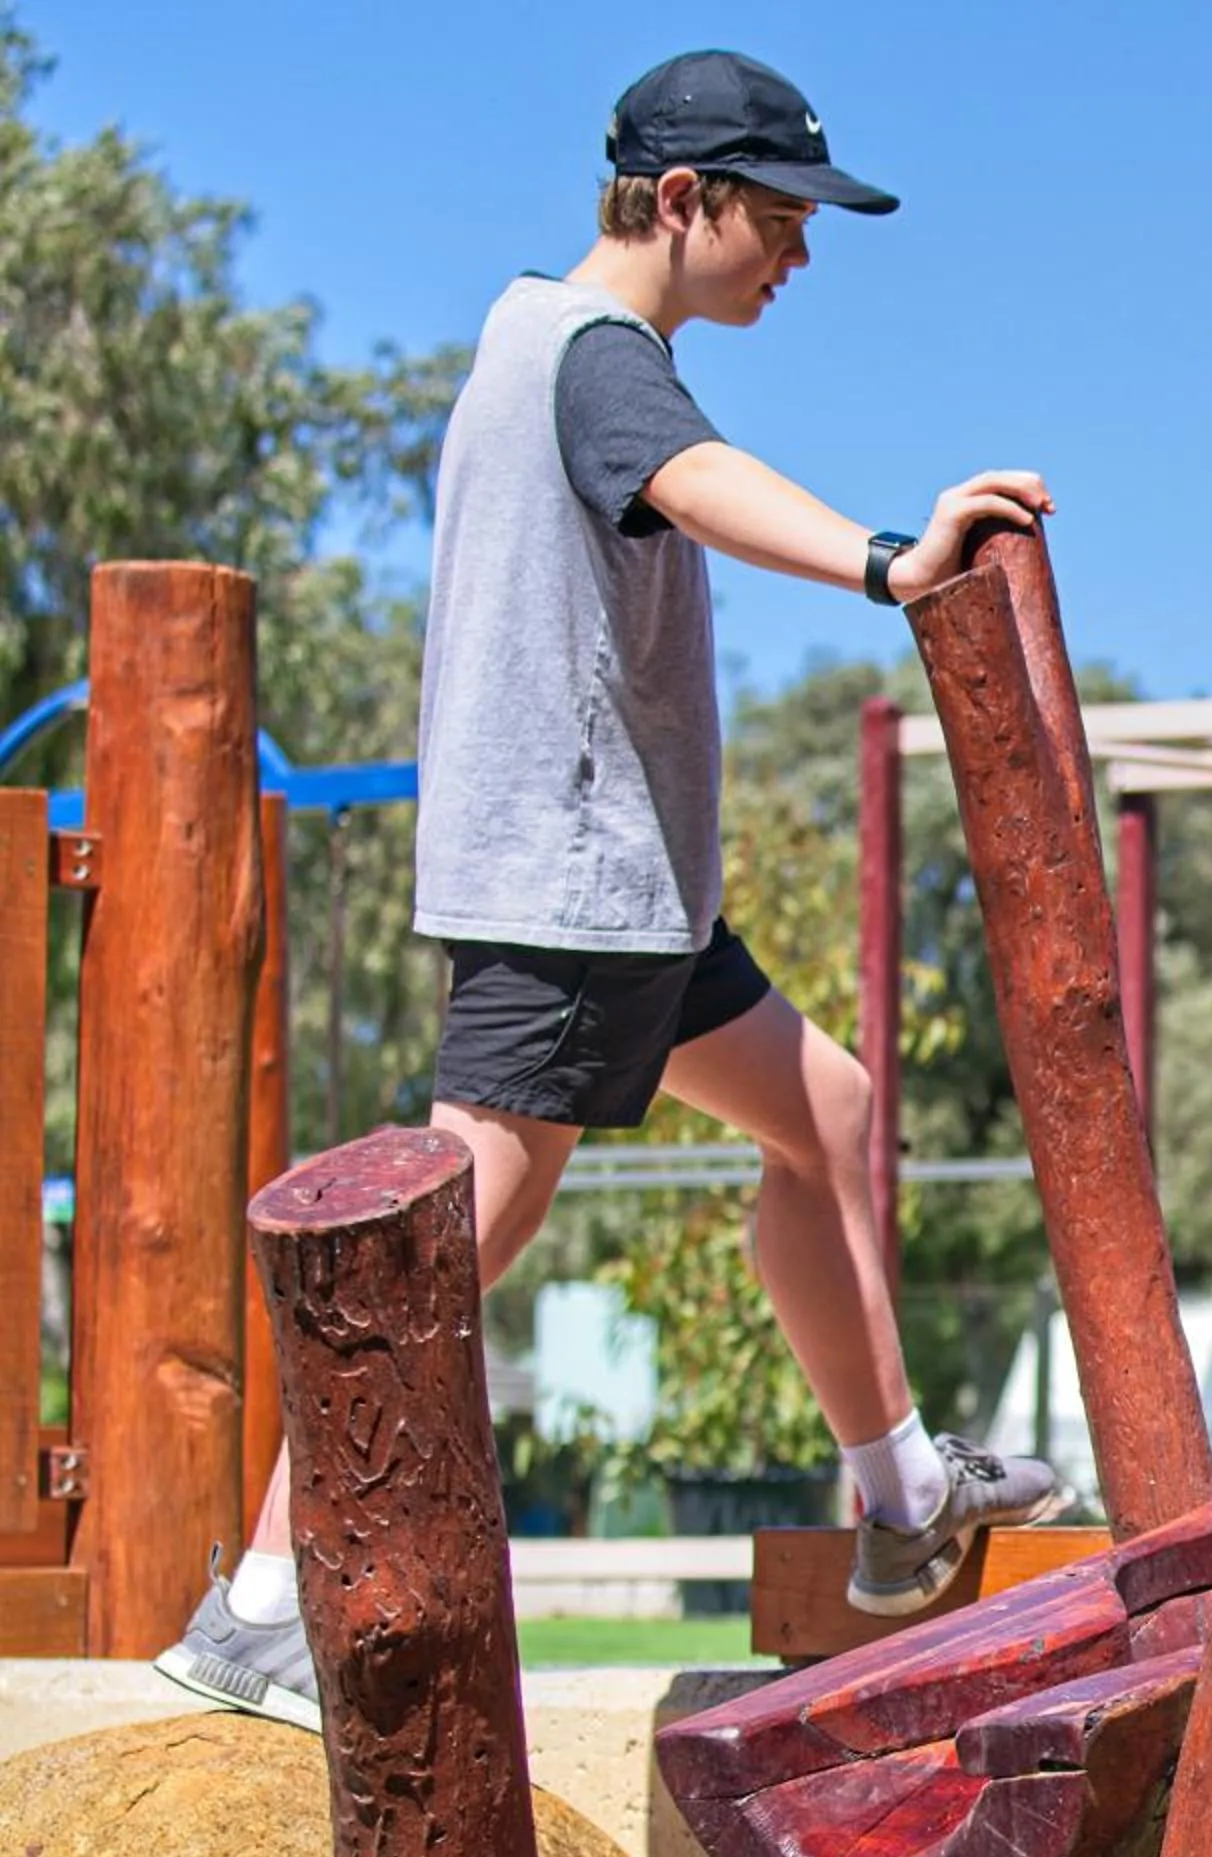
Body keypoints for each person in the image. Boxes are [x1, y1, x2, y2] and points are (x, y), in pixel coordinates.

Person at [158, 49, 1067, 1732]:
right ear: (680, 201)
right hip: (572, 892)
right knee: (438, 1248)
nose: (801, 253)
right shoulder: (595, 358)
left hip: (628, 892)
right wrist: (888, 558)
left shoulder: (545, 344)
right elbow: (697, 484)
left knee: (833, 1113)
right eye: (781, 216)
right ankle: (267, 1603)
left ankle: (894, 1501)